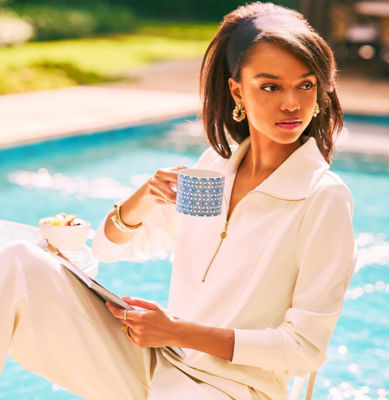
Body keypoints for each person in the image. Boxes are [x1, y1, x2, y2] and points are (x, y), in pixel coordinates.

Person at [0, 2, 357, 399]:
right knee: (15, 262)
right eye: (270, 86)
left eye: (305, 84)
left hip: (231, 388)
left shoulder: (322, 198)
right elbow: (108, 249)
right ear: (237, 89)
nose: (291, 103)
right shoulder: (213, 172)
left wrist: (176, 331)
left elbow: (304, 349)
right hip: (157, 360)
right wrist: (144, 198)